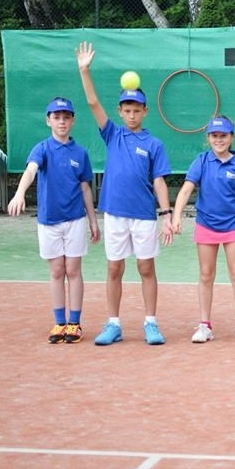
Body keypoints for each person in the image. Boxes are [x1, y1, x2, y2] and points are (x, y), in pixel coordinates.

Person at [76, 41, 174, 346]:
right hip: (115, 213)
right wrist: (84, 70)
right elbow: (92, 103)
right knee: (114, 267)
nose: (132, 114)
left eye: (136, 110)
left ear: (145, 111)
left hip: (144, 215)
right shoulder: (112, 133)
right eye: (126, 110)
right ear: (120, 111)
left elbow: (159, 181)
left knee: (146, 267)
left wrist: (167, 214)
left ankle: (151, 323)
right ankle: (114, 324)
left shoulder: (154, 144)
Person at [7, 96, 100, 344]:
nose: (61, 121)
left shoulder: (80, 153)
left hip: (75, 220)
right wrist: (19, 193)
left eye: (66, 117)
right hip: (48, 221)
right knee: (57, 270)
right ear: (48, 121)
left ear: (73, 121)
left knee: (73, 269)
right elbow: (30, 171)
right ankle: (59, 322)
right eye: (56, 117)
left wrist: (93, 220)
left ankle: (75, 323)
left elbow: (85, 188)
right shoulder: (42, 149)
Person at [171, 116, 235, 344]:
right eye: (215, 136)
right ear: (208, 138)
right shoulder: (201, 161)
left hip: (232, 226)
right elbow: (187, 190)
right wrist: (176, 215)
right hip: (206, 225)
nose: (219, 140)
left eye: (223, 136)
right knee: (206, 275)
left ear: (231, 138)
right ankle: (205, 325)